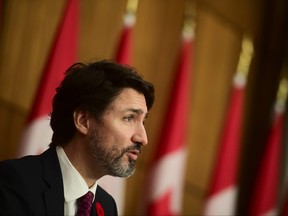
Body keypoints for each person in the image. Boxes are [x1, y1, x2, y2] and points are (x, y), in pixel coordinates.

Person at [0, 60, 155, 216]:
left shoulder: (107, 206)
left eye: (143, 121)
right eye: (129, 118)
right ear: (83, 121)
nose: (143, 138)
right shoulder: (13, 183)